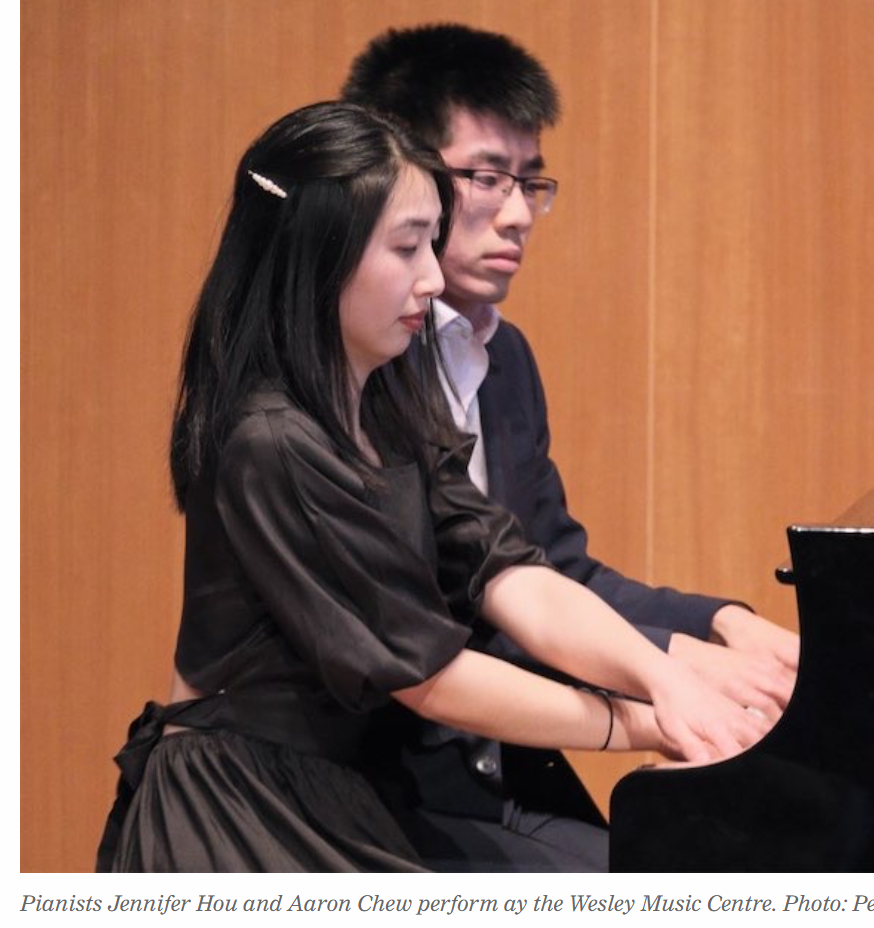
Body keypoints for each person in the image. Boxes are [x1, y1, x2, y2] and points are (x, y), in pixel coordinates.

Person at [98, 102, 766, 872]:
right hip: (243, 803)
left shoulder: (387, 396)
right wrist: (644, 722)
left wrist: (662, 676)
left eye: (431, 243)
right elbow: (430, 677)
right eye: (407, 246)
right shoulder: (272, 440)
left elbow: (506, 568)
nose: (431, 277)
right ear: (318, 256)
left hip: (346, 784)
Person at [341, 25, 800, 868]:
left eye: (530, 182)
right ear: (398, 177)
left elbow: (549, 568)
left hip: (492, 767)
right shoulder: (361, 368)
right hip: (374, 778)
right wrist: (669, 680)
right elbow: (440, 620)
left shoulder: (503, 357)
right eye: (487, 178)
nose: (518, 214)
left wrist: (722, 623)